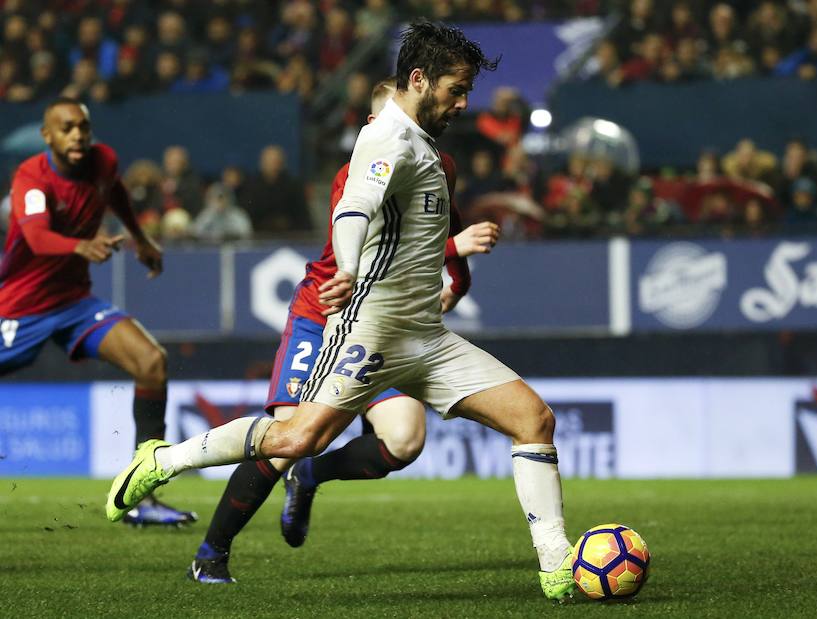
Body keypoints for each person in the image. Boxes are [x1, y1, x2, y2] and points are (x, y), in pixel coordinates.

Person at [108, 21, 578, 601]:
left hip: (426, 337)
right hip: (371, 329)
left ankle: (558, 569)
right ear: (419, 80)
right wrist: (349, 268)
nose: (463, 103)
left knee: (534, 420)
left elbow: (424, 236)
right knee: (292, 440)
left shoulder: (428, 148)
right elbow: (354, 206)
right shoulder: (387, 138)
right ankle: (164, 460)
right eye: (457, 90)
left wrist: (454, 272)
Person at [187, 77, 500, 584]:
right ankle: (211, 553)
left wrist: (457, 285)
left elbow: (444, 232)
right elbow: (374, 257)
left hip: (385, 323)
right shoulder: (358, 171)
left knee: (404, 440)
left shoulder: (437, 166)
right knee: (288, 439)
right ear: (376, 123)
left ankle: (311, 476)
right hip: (327, 313)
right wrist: (456, 251)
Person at [0, 97, 196, 526]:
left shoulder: (103, 161)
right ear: (47, 135)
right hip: (20, 306)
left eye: (83, 128)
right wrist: (79, 245)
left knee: (152, 362)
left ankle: (143, 497)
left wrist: (140, 238)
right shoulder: (31, 177)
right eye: (67, 128)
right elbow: (35, 237)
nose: (78, 136)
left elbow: (116, 192)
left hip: (74, 302)